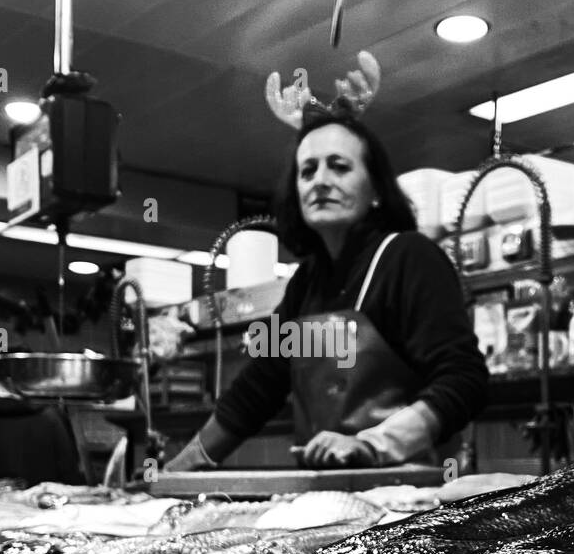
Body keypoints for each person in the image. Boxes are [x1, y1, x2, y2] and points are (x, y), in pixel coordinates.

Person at [166, 55, 488, 471]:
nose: (320, 180)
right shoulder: (305, 284)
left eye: (339, 167)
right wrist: (182, 468)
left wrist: (372, 444)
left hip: (412, 501)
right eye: (308, 171)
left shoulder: (409, 258)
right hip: (326, 497)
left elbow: (465, 379)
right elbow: (260, 386)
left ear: (375, 189)